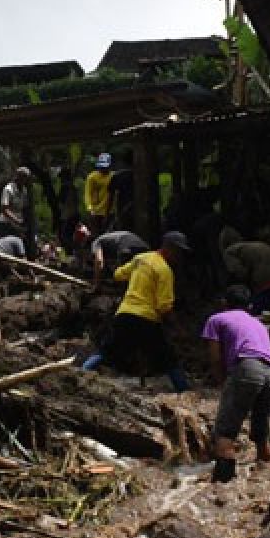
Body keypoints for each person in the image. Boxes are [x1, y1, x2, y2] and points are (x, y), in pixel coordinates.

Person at [80, 231, 192, 392]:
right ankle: (184, 391)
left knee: (107, 351)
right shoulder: (165, 270)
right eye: (178, 251)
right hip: (147, 319)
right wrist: (178, 329)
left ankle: (80, 372)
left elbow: (119, 275)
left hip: (125, 314)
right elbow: (164, 307)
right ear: (169, 248)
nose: (179, 256)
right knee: (168, 358)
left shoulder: (141, 258)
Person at [203, 285, 270, 483]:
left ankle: (223, 486)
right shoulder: (259, 324)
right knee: (262, 434)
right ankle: (266, 482)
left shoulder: (217, 319)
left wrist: (222, 381)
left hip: (247, 366)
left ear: (224, 303)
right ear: (249, 305)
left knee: (225, 431)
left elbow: (214, 357)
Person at [223, 239, 270, 313]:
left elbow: (239, 271)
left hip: (266, 281)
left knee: (260, 310)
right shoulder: (254, 245)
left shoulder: (228, 252)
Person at [82, 228, 149, 283]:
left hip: (126, 248)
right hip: (143, 246)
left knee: (123, 276)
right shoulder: (107, 239)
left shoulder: (96, 242)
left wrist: (96, 283)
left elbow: (99, 261)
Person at [0, 167, 32, 243]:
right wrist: (17, 220)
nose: (24, 179)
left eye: (26, 177)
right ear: (18, 176)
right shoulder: (8, 189)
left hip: (18, 225)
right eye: (23, 176)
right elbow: (4, 209)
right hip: (6, 224)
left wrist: (25, 221)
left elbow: (25, 207)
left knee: (18, 247)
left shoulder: (24, 190)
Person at [84, 153, 113, 234]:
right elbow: (87, 193)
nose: (103, 168)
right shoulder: (92, 177)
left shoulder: (113, 176)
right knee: (96, 233)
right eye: (101, 166)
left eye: (105, 166)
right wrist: (90, 208)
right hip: (95, 211)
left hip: (109, 211)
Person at [108, 152, 134, 231]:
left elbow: (111, 197)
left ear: (123, 162)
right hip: (137, 209)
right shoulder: (141, 174)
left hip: (122, 210)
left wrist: (107, 214)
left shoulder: (118, 176)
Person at [57, 165, 80, 253]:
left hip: (68, 216)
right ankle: (71, 253)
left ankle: (69, 253)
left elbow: (61, 203)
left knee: (65, 237)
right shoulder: (73, 188)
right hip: (75, 215)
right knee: (71, 236)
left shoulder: (65, 187)